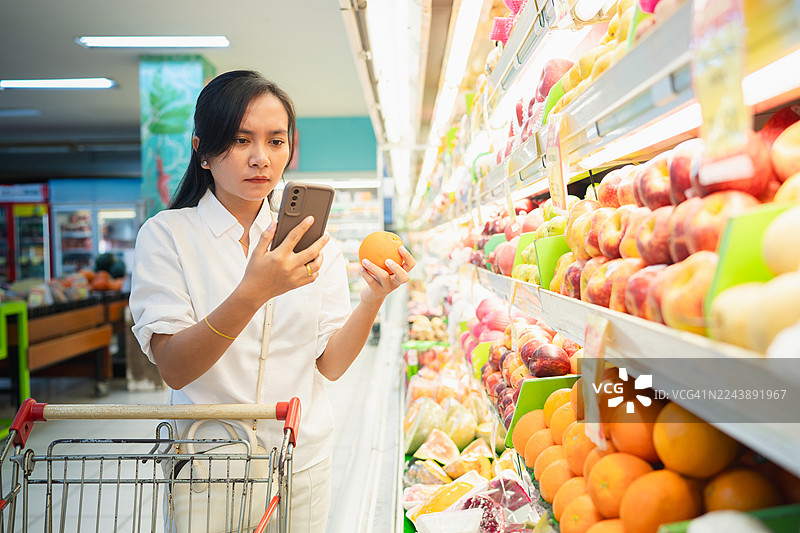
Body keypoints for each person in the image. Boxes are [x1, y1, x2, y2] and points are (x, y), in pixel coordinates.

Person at [129, 69, 415, 532]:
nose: (261, 158)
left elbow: (331, 365)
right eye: (241, 140)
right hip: (207, 470)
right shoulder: (167, 237)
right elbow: (175, 367)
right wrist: (253, 291)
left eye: (275, 141)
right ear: (203, 151)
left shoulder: (316, 244)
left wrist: (372, 300)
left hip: (300, 464)